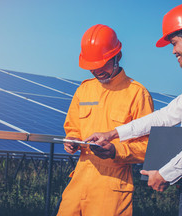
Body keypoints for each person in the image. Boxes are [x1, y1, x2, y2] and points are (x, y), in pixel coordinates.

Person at [86, 3, 182, 216]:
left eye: (174, 43)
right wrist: (112, 133)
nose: (173, 51)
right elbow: (165, 116)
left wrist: (166, 174)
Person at [57, 24, 154, 216]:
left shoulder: (137, 94)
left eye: (102, 65)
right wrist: (73, 140)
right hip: (78, 182)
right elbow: (73, 127)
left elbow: (148, 146)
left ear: (117, 56)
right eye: (92, 67)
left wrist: (115, 151)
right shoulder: (84, 90)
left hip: (112, 189)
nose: (97, 71)